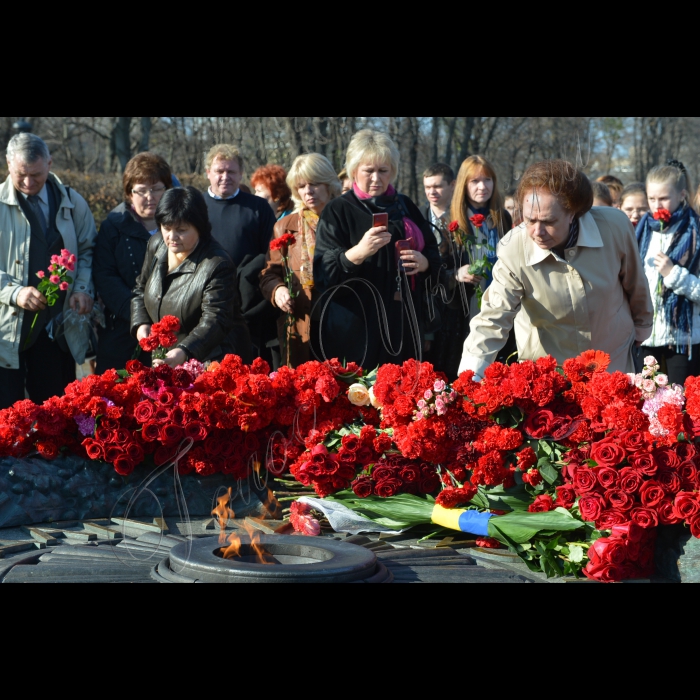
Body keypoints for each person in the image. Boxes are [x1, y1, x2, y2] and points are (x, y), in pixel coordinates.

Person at [459, 159, 653, 378]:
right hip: (550, 373)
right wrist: (471, 376)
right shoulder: (513, 248)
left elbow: (635, 280)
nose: (537, 231)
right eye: (529, 220)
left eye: (549, 221)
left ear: (573, 213)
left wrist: (643, 323)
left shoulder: (613, 226)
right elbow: (492, 317)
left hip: (611, 361)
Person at [314, 130, 441, 369]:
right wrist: (358, 253)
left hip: (403, 324)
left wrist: (424, 263)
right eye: (368, 170)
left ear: (392, 171)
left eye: (383, 171)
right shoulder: (338, 210)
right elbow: (322, 273)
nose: (376, 178)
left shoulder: (406, 206)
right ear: (354, 171)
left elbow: (435, 257)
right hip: (356, 329)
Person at [0, 134, 97, 409]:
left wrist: (81, 288)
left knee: (54, 412)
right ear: (8, 164)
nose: (29, 183)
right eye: (22, 175)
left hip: (57, 330)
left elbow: (89, 250)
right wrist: (14, 292)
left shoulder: (72, 202)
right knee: (7, 414)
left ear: (50, 164)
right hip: (6, 328)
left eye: (37, 175)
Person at [131, 187, 253, 367]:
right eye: (166, 228)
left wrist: (185, 351)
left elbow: (215, 320)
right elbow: (140, 289)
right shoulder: (156, 244)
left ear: (199, 227)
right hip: (167, 357)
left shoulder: (217, 264)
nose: (172, 237)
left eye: (181, 230)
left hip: (211, 361)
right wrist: (141, 324)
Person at [430, 155, 513, 379]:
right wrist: (456, 274)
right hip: (461, 313)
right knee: (464, 377)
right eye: (474, 181)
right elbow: (433, 272)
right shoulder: (450, 221)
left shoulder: (502, 217)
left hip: (500, 307)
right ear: (463, 185)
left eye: (487, 180)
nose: (482, 186)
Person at [94, 153, 174, 372]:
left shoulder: (180, 225)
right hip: (122, 327)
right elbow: (105, 276)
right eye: (141, 190)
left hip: (173, 328)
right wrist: (138, 318)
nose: (150, 196)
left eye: (157, 188)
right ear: (130, 194)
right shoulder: (113, 226)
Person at [260, 154, 341, 367]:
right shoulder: (284, 226)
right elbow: (269, 273)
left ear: (328, 183)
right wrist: (277, 290)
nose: (308, 191)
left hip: (342, 322)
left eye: (314, 183)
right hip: (302, 323)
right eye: (302, 186)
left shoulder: (345, 219)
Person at [637, 163, 700, 384]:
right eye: (651, 198)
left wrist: (673, 274)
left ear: (681, 194)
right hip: (645, 336)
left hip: (682, 339)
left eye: (663, 198)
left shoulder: (695, 231)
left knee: (680, 402)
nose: (656, 205)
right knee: (646, 399)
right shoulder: (642, 229)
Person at [202, 144, 276, 268]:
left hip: (249, 284)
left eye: (231, 172)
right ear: (208, 173)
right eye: (219, 171)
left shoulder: (258, 207)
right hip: (204, 284)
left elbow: (272, 253)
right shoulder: (195, 206)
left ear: (240, 174)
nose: (225, 177)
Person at [421, 163, 456, 249]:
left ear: (452, 185)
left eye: (437, 186)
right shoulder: (417, 216)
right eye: (427, 187)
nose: (432, 192)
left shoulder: (463, 215)